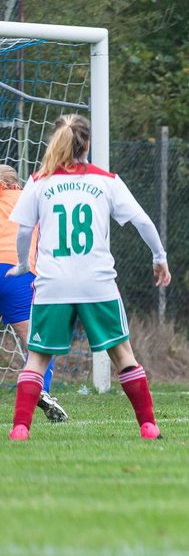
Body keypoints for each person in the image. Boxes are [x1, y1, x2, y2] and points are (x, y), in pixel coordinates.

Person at [5, 114, 171, 441]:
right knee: (123, 355)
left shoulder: (40, 181)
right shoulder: (105, 180)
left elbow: (24, 231)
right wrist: (159, 257)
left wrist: (24, 264)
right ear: (88, 144)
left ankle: (20, 429)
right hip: (97, 282)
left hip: (53, 283)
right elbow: (142, 221)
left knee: (37, 358)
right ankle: (149, 427)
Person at [0, 165, 68, 422]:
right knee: (38, 342)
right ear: (15, 184)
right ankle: (43, 391)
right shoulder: (29, 199)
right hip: (16, 273)